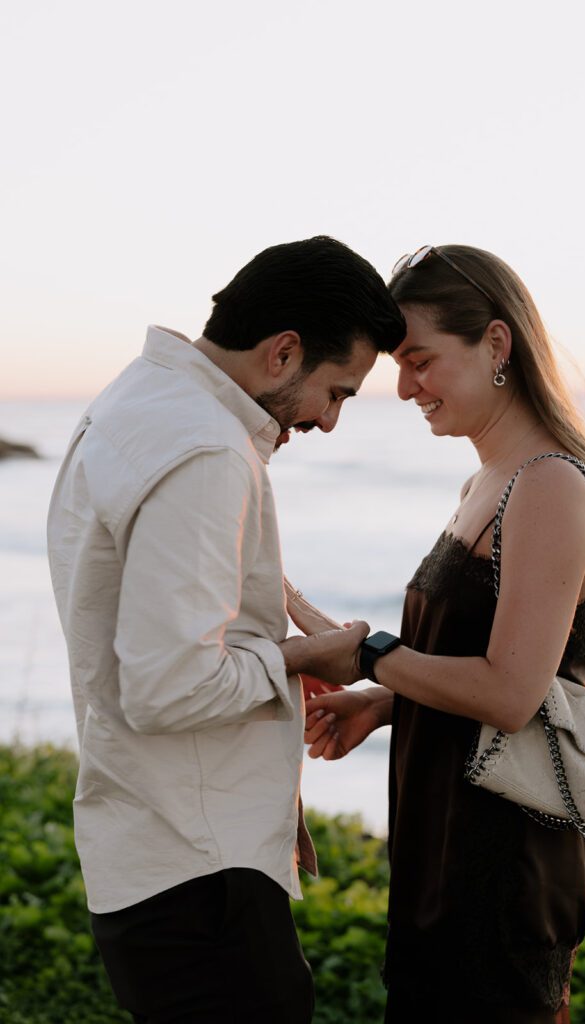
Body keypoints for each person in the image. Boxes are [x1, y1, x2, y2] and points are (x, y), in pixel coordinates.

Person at [46, 235, 405, 1024]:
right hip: (198, 875)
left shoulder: (137, 402)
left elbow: (174, 606)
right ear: (283, 352)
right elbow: (168, 688)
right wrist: (315, 652)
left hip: (155, 847)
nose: (330, 420)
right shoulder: (207, 451)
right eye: (338, 391)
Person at [299, 244, 585, 1023]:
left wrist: (370, 653)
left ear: (497, 345)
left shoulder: (547, 483)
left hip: (503, 863)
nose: (404, 387)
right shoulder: (486, 481)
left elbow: (510, 695)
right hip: (443, 841)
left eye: (420, 360)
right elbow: (492, 667)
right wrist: (382, 702)